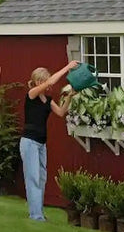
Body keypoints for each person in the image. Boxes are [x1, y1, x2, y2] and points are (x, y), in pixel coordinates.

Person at [20, 61, 80, 221]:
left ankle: (38, 213)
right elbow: (52, 81)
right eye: (44, 80)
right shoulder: (32, 94)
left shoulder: (47, 99)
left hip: (40, 143)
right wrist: (68, 67)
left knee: (41, 178)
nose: (48, 84)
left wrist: (69, 97)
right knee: (33, 177)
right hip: (29, 142)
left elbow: (61, 112)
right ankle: (36, 216)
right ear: (39, 81)